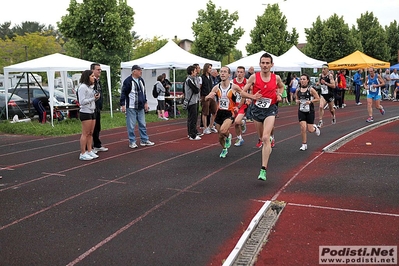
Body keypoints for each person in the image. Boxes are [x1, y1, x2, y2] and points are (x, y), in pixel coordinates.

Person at [242, 52, 285, 181]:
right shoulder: (253, 78)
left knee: (266, 137)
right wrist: (252, 97)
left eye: (267, 63)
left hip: (270, 109)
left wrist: (280, 95)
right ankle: (266, 140)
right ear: (259, 64)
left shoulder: (276, 78)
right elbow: (243, 92)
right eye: (263, 63)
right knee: (261, 138)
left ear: (272, 65)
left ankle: (263, 169)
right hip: (257, 110)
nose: (265, 65)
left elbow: (282, 87)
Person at [205, 66, 261, 158]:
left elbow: (243, 93)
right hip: (219, 113)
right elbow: (206, 98)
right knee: (220, 135)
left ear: (229, 75)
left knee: (223, 130)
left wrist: (252, 97)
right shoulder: (216, 87)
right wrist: (208, 97)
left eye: (225, 72)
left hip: (229, 112)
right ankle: (224, 149)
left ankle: (229, 135)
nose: (222, 73)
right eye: (221, 72)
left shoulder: (233, 87)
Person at [120, 65, 155, 148]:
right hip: (131, 106)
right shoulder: (128, 81)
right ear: (134, 71)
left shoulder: (141, 80)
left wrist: (145, 102)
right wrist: (122, 104)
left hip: (141, 106)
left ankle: (144, 139)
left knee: (142, 124)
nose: (141, 72)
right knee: (131, 125)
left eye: (141, 70)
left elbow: (144, 92)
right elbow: (123, 93)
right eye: (139, 70)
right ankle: (132, 141)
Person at [78, 70, 100, 160]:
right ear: (87, 77)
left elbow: (92, 98)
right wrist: (92, 99)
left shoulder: (91, 87)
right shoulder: (82, 87)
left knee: (91, 133)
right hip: (85, 112)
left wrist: (96, 97)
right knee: (85, 133)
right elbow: (82, 102)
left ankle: (90, 150)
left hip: (92, 111)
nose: (94, 78)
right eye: (92, 76)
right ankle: (83, 153)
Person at [295, 73, 320, 151]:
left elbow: (318, 99)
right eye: (301, 79)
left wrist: (311, 101)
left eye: (304, 79)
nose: (302, 81)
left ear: (307, 80)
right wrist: (297, 101)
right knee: (303, 127)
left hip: (310, 111)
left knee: (310, 130)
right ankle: (304, 144)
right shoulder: (298, 90)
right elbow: (296, 99)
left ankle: (315, 128)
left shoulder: (311, 90)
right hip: (301, 111)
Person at [90, 63, 108, 153]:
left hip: (97, 107)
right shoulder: (90, 82)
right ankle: (89, 147)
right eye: (98, 69)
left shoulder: (98, 81)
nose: (100, 71)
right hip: (91, 108)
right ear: (92, 70)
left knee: (97, 127)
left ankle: (97, 145)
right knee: (92, 128)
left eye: (100, 69)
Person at [232, 66, 248, 146]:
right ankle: (239, 138)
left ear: (244, 73)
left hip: (243, 104)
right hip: (233, 105)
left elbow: (252, 90)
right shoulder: (232, 82)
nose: (239, 74)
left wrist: (249, 99)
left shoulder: (247, 82)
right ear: (235, 73)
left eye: (241, 72)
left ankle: (242, 122)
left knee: (237, 121)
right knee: (236, 124)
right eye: (238, 72)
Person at [185, 65, 202, 140]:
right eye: (195, 71)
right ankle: (192, 135)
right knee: (192, 118)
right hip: (191, 101)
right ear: (192, 72)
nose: (196, 73)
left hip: (194, 100)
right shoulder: (189, 80)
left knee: (193, 118)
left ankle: (191, 132)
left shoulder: (193, 79)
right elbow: (196, 90)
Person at [200, 63, 217, 134]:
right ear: (206, 68)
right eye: (209, 68)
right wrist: (201, 97)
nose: (210, 69)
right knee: (205, 112)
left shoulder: (210, 77)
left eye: (211, 68)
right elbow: (199, 88)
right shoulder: (202, 77)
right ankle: (205, 127)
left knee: (214, 111)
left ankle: (211, 125)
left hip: (211, 96)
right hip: (205, 96)